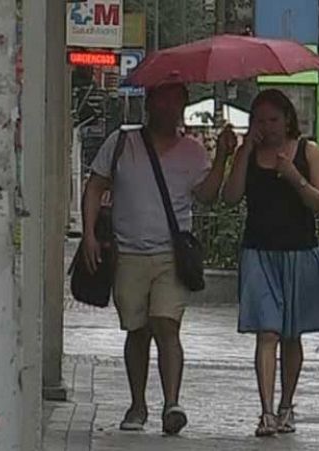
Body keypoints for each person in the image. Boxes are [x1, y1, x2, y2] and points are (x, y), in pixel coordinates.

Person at [82, 83, 237, 435]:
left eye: (177, 102)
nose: (170, 109)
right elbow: (95, 186)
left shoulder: (193, 152)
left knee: (166, 325)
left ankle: (172, 403)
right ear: (150, 105)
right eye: (163, 101)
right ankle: (137, 404)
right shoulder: (122, 144)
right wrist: (90, 233)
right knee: (137, 330)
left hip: (171, 254)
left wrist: (225, 156)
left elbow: (208, 195)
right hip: (128, 253)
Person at [222, 89, 319, 437]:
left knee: (291, 335)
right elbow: (231, 196)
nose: (268, 127)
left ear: (288, 120)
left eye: (274, 120)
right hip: (258, 252)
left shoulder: (308, 151)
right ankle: (265, 411)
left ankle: (286, 405)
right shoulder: (248, 154)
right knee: (267, 331)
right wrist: (244, 151)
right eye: (260, 121)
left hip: (298, 252)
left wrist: (293, 176)